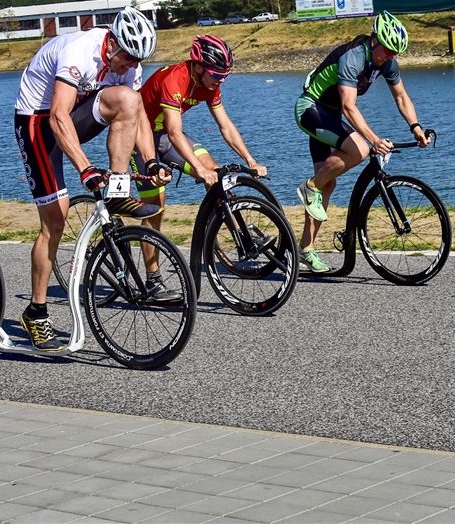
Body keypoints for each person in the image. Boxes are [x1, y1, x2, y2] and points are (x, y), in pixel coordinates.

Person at [14, 7, 171, 350]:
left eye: (137, 61)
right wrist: (86, 168)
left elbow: (138, 116)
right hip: (39, 122)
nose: (131, 66)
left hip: (75, 113)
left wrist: (150, 161)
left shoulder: (130, 64)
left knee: (129, 99)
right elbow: (57, 116)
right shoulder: (79, 51)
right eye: (128, 59)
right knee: (56, 219)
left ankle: (117, 189)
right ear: (112, 43)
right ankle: (36, 313)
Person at [294, 11, 431, 272]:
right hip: (310, 110)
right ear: (375, 40)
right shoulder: (353, 57)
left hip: (329, 115)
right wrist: (374, 139)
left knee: (328, 183)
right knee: (360, 149)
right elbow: (348, 106)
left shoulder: (386, 62)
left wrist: (416, 127)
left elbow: (401, 97)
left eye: (395, 54)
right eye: (388, 51)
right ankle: (309, 186)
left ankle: (305, 248)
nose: (390, 57)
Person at [134, 34, 267, 216]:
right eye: (217, 75)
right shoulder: (174, 80)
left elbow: (225, 125)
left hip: (163, 135)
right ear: (198, 67)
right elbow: (175, 133)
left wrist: (250, 161)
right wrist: (198, 169)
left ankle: (218, 236)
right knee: (156, 208)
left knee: (215, 173)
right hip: (140, 136)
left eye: (225, 75)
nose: (222, 80)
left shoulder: (210, 84)